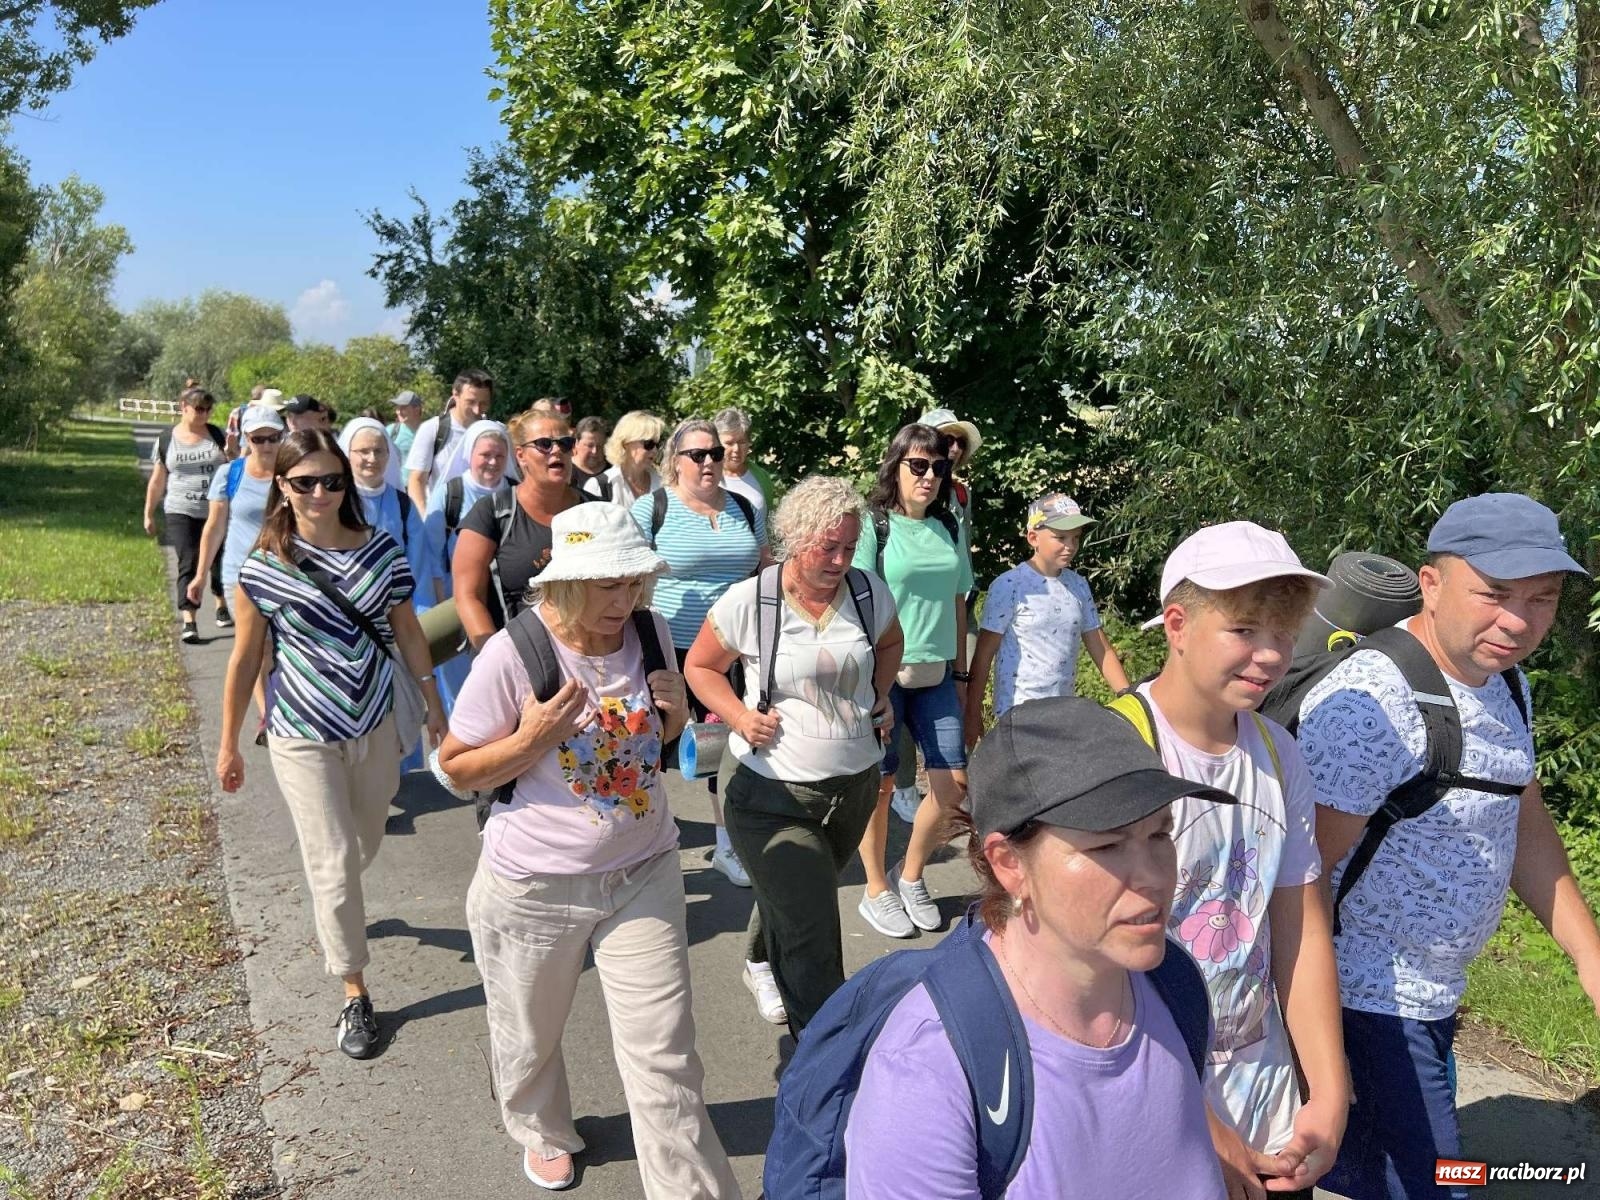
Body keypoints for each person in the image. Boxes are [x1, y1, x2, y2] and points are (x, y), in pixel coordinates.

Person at [1296, 494, 1600, 1200]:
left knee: (1373, 1165)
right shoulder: (1372, 702)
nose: (1519, 622)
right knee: (1436, 1184)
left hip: (1433, 997)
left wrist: (1589, 955)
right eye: (1494, 593)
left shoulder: (1506, 682)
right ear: (1430, 584)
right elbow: (1300, 876)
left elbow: (1521, 818)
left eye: (1543, 599)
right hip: (1371, 997)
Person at [438, 504, 741, 1197]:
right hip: (533, 884)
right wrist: (533, 737)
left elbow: (649, 746)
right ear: (565, 581)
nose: (625, 601)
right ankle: (543, 1129)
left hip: (644, 871)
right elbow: (456, 767)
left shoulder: (652, 631)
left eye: (635, 583)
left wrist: (674, 717)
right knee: (528, 1037)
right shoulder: (515, 653)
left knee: (667, 1060)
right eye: (609, 585)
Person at [843, 697, 1231, 1199]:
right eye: (1107, 846)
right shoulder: (930, 1069)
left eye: (1160, 834)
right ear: (1009, 864)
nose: (1155, 875)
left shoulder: (1175, 983)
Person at [1123, 522, 1347, 1199]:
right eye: (1245, 630)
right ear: (1177, 624)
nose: (1271, 654)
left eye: (1284, 634)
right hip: (1148, 1103)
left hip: (1267, 1099)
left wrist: (1329, 1097)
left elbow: (1300, 928)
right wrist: (1200, 1125)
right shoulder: (1119, 751)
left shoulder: (1280, 753)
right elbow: (1090, 975)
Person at [214, 430, 443, 1060]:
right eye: (304, 482)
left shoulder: (382, 552)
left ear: (347, 483)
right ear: (281, 489)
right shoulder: (264, 566)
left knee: (362, 843)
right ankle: (353, 991)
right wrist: (230, 743)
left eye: (332, 480)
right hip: (299, 733)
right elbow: (244, 660)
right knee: (337, 859)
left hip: (374, 729)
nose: (320, 492)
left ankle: (333, 899)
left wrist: (435, 709)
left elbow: (410, 634)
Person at [684, 476, 904, 1031]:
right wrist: (738, 715)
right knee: (813, 925)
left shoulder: (867, 591)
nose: (839, 560)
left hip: (853, 786)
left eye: (849, 547)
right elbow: (701, 667)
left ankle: (759, 957)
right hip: (769, 791)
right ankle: (828, 1052)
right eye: (827, 547)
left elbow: (891, 641)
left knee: (802, 892)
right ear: (793, 539)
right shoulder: (752, 600)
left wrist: (881, 691)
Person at [632, 417, 772, 887]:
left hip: (731, 651)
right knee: (652, 744)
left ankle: (728, 844)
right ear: (676, 462)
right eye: (697, 455)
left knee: (728, 744)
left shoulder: (746, 508)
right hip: (668, 647)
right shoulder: (651, 510)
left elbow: (766, 571)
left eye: (714, 452)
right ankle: (632, 843)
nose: (709, 461)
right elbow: (629, 582)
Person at [851, 423, 972, 938]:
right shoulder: (873, 526)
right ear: (895, 466)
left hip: (938, 672)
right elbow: (854, 602)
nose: (929, 476)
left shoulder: (949, 526)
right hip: (884, 675)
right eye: (917, 466)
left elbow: (959, 600)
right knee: (879, 787)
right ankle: (875, 888)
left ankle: (912, 874)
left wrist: (964, 673)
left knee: (953, 787)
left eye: (938, 467)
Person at [965, 494, 1128, 746]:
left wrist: (1128, 698)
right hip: (1019, 714)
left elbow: (1100, 648)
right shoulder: (1009, 585)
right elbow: (984, 655)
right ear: (1033, 538)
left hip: (1063, 712)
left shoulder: (1078, 585)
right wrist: (972, 711)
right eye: (1060, 537)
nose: (1070, 546)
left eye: (1076, 537)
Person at [452, 409, 588, 650]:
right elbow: (468, 596)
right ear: (521, 455)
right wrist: (496, 657)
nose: (556, 451)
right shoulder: (492, 513)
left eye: (565, 443)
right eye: (544, 444)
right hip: (520, 655)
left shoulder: (596, 511)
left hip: (589, 654)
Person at [421, 421, 513, 714]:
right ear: (469, 454)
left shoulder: (516, 492)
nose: (492, 462)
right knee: (460, 688)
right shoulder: (451, 494)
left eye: (499, 456)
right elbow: (432, 552)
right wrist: (438, 600)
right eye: (485, 454)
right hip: (456, 601)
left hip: (505, 604)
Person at [144, 387, 229, 642]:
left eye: (208, 409)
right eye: (198, 409)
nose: (204, 414)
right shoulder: (167, 439)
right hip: (180, 510)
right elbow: (158, 480)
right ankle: (189, 618)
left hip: (217, 509)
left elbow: (232, 466)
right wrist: (148, 513)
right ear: (183, 407)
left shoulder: (217, 435)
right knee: (188, 560)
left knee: (219, 560)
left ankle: (221, 603)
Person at [338, 417, 427, 594]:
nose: (372, 458)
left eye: (379, 451)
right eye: (363, 451)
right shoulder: (335, 499)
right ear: (347, 454)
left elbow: (419, 565)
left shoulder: (403, 504)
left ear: (389, 455)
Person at [406, 368, 495, 513]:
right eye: (471, 402)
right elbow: (416, 481)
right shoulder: (433, 429)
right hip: (443, 520)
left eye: (484, 403)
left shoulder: (493, 432)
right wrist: (425, 520)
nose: (477, 410)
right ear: (455, 395)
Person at [584, 409, 664, 508]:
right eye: (649, 443)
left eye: (657, 444)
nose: (655, 450)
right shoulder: (599, 487)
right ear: (626, 444)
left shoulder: (664, 484)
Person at [711, 407, 775, 527]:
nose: (736, 449)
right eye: (729, 443)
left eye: (742, 442)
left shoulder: (761, 477)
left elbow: (769, 524)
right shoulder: (707, 476)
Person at [570, 415, 609, 493]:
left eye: (600, 446)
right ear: (576, 443)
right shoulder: (565, 471)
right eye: (589, 446)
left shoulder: (613, 473)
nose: (594, 451)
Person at [387, 390, 422, 460]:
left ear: (416, 410)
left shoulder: (429, 432)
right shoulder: (390, 431)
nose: (398, 412)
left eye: (403, 408)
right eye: (397, 407)